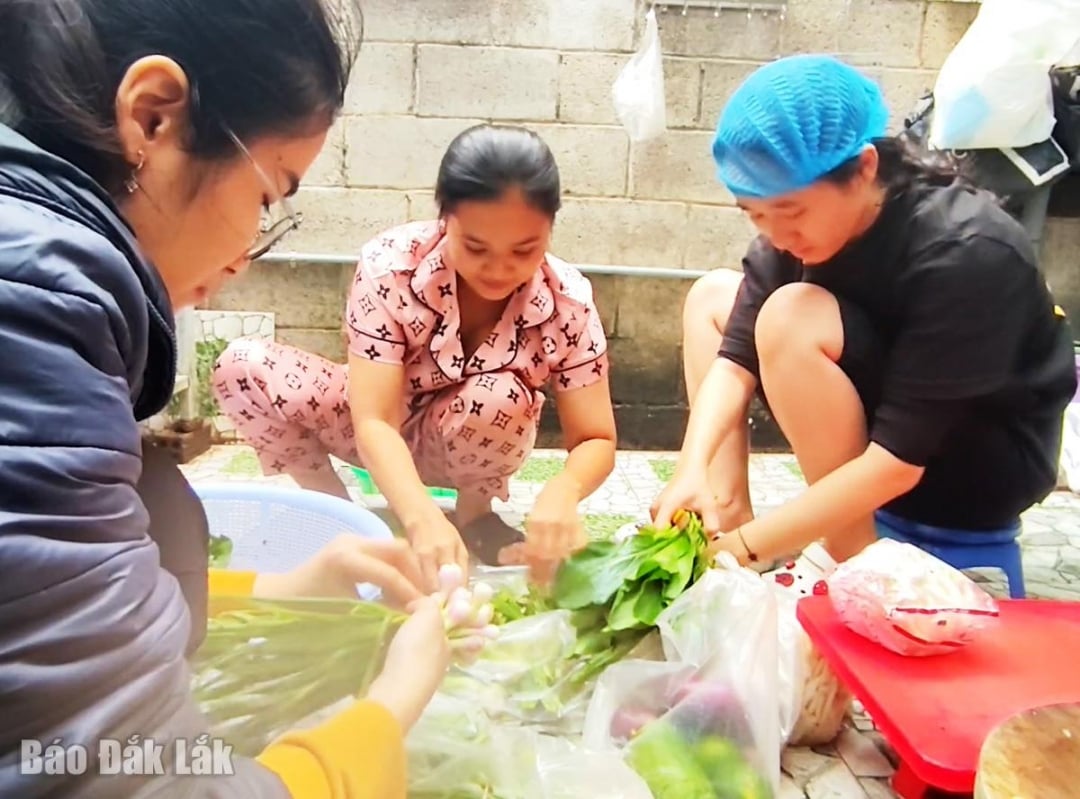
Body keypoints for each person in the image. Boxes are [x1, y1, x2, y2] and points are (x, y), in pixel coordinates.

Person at [0, 1, 451, 797]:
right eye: (269, 195)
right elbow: (121, 777)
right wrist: (388, 709)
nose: (245, 255)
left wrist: (275, 589)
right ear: (153, 116)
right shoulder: (32, 309)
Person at [652, 54, 1078, 588]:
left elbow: (899, 462)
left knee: (789, 316)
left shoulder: (966, 248)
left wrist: (744, 551)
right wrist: (690, 468)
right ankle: (727, 508)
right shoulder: (797, 236)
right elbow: (734, 363)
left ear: (865, 168)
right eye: (754, 214)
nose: (776, 235)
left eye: (791, 212)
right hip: (883, 429)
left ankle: (854, 563)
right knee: (712, 297)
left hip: (973, 463)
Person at [213, 124, 618, 589]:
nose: (499, 269)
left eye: (524, 250)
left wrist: (562, 493)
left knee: (500, 395)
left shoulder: (567, 301)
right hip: (373, 427)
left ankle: (474, 517)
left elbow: (596, 437)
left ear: (550, 228)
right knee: (241, 366)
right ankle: (341, 516)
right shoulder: (391, 266)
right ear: (445, 218)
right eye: (476, 247)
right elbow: (375, 420)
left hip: (469, 439)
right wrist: (419, 516)